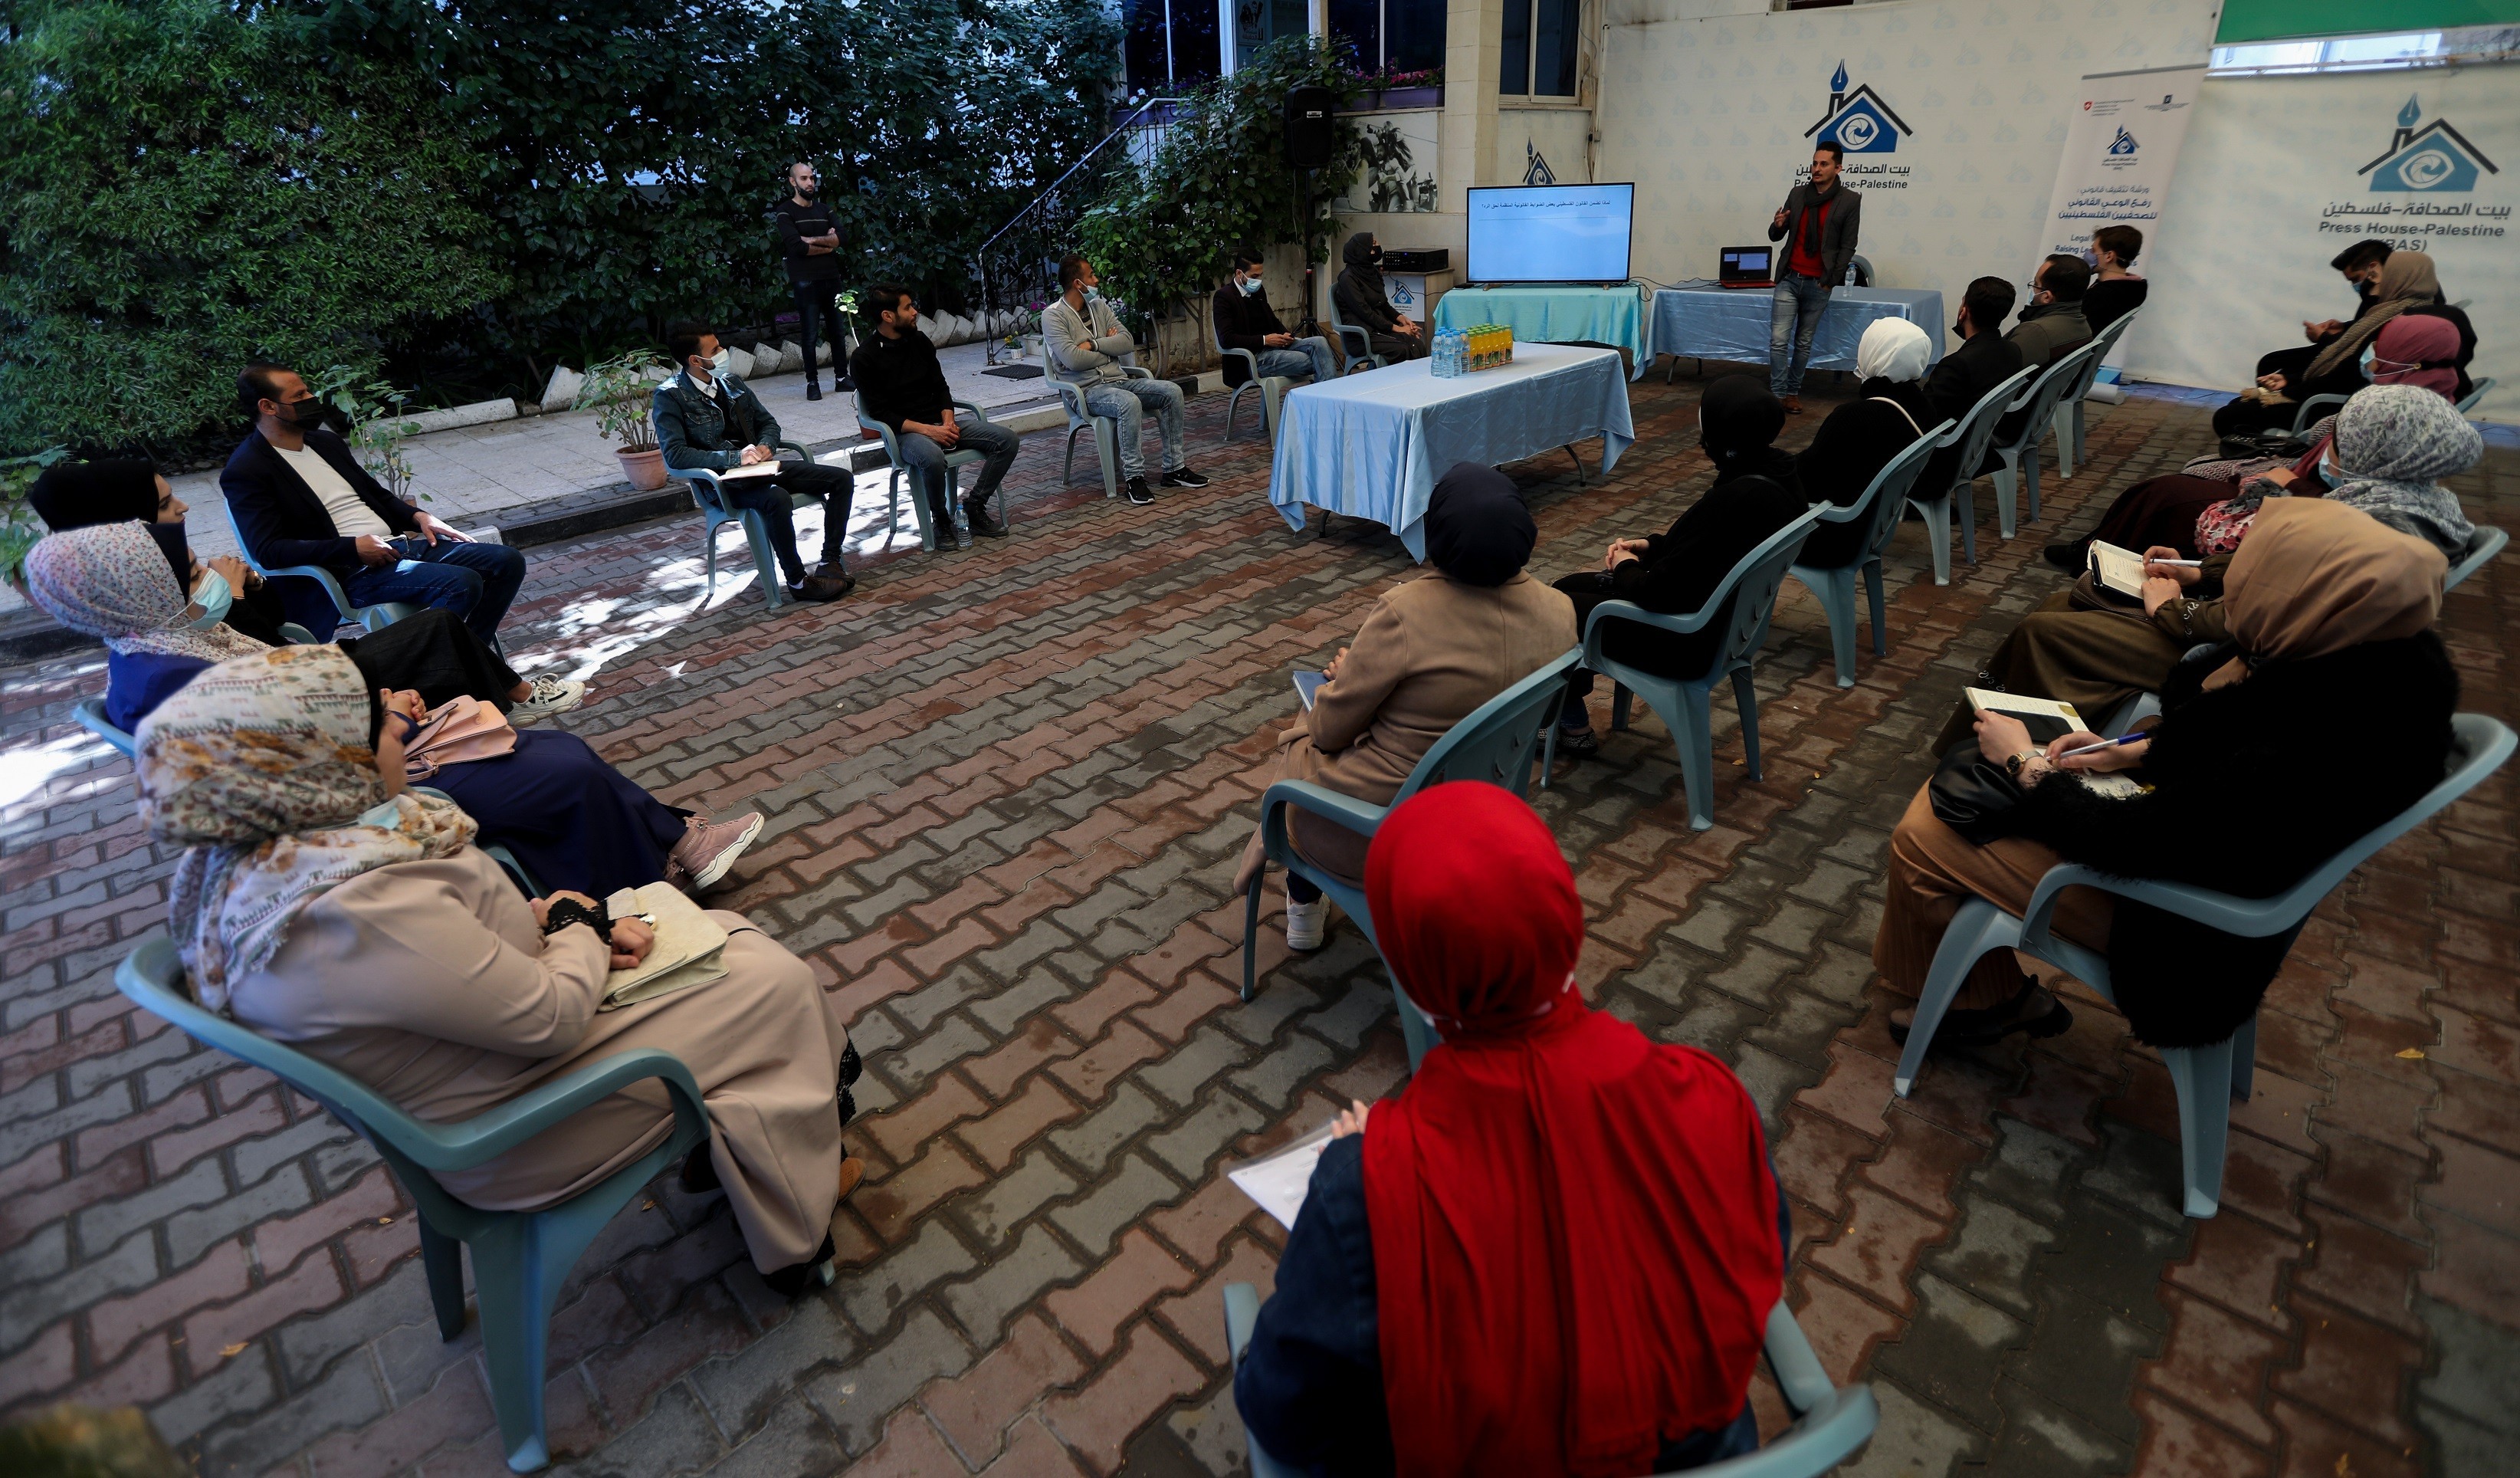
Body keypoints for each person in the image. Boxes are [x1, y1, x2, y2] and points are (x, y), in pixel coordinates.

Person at [135, 645, 858, 1294]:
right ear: (320, 764)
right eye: (379, 726)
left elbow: (441, 964)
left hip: (478, 1062)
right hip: (516, 1122)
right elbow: (549, 1018)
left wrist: (552, 924)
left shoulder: (271, 866)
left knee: (718, 936)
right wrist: (575, 920)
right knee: (770, 981)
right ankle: (796, 1230)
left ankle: (751, 1155)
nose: (400, 732)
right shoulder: (353, 911)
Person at [1235, 783, 1787, 1476]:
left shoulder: (1366, 1193)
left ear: (1413, 972)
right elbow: (1764, 1248)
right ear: (1565, 915)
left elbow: (1283, 1411)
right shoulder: (1711, 1097)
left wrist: (1369, 1163)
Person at [1879, 498, 2456, 1052]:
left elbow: (2130, 841)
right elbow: (2231, 751)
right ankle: (1985, 993)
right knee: (1957, 806)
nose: (2235, 603)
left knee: (1927, 832)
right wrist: (2130, 752)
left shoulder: (2323, 731)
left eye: (2250, 590)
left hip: (2183, 943)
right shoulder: (2377, 662)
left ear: (2300, 600)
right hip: (2216, 888)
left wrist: (2025, 765)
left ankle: (1983, 1003)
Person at [23, 523, 756, 895]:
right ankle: (643, 886)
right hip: (350, 801)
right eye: (188, 572)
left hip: (361, 758)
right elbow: (295, 766)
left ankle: (667, 851)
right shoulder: (165, 677)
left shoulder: (166, 641)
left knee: (547, 749)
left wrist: (379, 709)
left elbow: (290, 704)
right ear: (136, 591)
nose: (207, 574)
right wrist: (395, 722)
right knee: (560, 764)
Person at [1232, 466, 1577, 950]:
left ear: (1437, 531)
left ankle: (1302, 899)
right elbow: (1541, 715)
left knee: (1308, 723)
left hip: (1377, 835)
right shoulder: (1560, 610)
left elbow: (1329, 733)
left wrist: (1347, 678)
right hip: (1482, 821)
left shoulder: (1405, 610)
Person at [2048, 315, 2475, 568]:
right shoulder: (2421, 392)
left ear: (2408, 354)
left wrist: (2288, 483)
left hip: (2300, 508)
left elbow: (2353, 493)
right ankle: (2099, 552)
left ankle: (2106, 563)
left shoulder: (2408, 409)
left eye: (2381, 349)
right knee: (2170, 486)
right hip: (2299, 490)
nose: (2371, 357)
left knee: (2167, 496)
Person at [1553, 378, 1809, 759]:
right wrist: (1650, 546)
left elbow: (1657, 593)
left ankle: (1568, 726)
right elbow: (1704, 550)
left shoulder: (1737, 498)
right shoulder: (1776, 474)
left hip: (1685, 640)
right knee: (1569, 584)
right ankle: (1567, 715)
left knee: (1555, 608)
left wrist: (1625, 566)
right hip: (1726, 626)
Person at [221, 365, 535, 653]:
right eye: (300, 395)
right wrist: (352, 548)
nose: (311, 398)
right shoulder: (247, 469)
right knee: (462, 583)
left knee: (507, 561)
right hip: (350, 573)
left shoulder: (324, 443)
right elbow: (268, 551)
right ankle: (455, 665)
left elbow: (376, 495)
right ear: (268, 406)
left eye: (308, 391)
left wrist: (419, 517)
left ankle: (469, 661)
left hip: (399, 548)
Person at [654, 321, 856, 601]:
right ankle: (798, 582)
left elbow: (768, 423)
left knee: (841, 479)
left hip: (762, 469)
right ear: (695, 360)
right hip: (722, 484)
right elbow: (675, 455)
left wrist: (765, 446)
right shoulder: (670, 396)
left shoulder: (731, 383)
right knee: (777, 498)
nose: (723, 353)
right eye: (716, 350)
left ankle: (829, 561)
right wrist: (735, 458)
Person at [27, 459, 294, 648]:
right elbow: (263, 650)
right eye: (164, 504)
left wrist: (252, 582)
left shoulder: (164, 563)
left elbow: (276, 619)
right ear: (124, 521)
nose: (184, 506)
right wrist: (234, 594)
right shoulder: (149, 600)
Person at [848, 285, 1022, 541]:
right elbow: (881, 414)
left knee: (1007, 440)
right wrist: (930, 431)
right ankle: (940, 519)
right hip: (906, 434)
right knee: (932, 457)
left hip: (940, 424)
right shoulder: (864, 358)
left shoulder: (919, 341)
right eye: (908, 307)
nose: (915, 312)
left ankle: (975, 506)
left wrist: (948, 422)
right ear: (888, 316)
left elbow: (940, 387)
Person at [2213, 248, 2444, 439]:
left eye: (2380, 277)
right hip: (2343, 396)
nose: (2373, 284)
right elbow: (2350, 363)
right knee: (2239, 405)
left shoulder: (2397, 321)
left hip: (2338, 408)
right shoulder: (2401, 311)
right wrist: (2292, 380)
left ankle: (2266, 461)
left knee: (2227, 416)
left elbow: (2350, 374)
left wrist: (2290, 387)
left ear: (2401, 280)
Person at [1043, 255, 1205, 505]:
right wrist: (1109, 348)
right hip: (1087, 391)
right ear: (1077, 283)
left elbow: (1127, 342)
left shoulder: (1099, 307)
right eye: (1091, 276)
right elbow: (1073, 360)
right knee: (1128, 402)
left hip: (1120, 381)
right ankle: (1134, 478)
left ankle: (1174, 469)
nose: (1096, 280)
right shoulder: (1053, 316)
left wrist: (1093, 345)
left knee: (1172, 392)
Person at [1791, 318, 1940, 570]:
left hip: (1830, 535)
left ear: (1873, 353)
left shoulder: (1856, 416)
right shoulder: (1923, 407)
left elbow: (1806, 475)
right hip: (1872, 528)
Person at [1765, 141, 1862, 414]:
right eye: (1814, 163)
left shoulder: (1849, 200)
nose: (1816, 169)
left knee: (1803, 342)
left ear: (1838, 168)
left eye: (1823, 164)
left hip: (1819, 282)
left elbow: (1848, 245)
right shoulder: (1797, 194)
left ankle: (1792, 393)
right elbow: (1776, 234)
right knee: (1778, 340)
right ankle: (1777, 394)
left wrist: (1831, 279)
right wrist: (1778, 225)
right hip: (1789, 278)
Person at [771, 160, 855, 401]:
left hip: (831, 277)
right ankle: (812, 382)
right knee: (809, 334)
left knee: (837, 331)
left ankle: (842, 378)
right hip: (805, 281)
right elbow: (797, 247)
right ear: (792, 181)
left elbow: (842, 237)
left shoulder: (824, 209)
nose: (810, 183)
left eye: (812, 178)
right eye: (804, 178)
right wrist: (828, 244)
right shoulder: (785, 211)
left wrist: (811, 240)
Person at [1212, 248, 1337, 388]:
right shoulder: (1224, 297)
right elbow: (1226, 339)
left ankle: (1324, 397)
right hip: (1250, 359)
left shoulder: (1258, 291)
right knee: (1319, 360)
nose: (1258, 280)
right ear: (1239, 273)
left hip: (1273, 348)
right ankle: (1327, 397)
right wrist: (1265, 340)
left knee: (1319, 342)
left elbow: (1272, 320)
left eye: (1261, 275)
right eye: (1254, 276)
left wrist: (1285, 335)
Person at [1923, 278, 2025, 427]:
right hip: (1985, 432)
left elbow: (1926, 417)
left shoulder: (1955, 365)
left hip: (1951, 438)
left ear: (1964, 312)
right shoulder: (2013, 350)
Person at [1331, 232, 1426, 364]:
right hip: (1362, 335)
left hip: (1379, 330)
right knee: (1402, 349)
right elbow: (1365, 312)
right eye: (1374, 244)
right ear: (1362, 250)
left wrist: (1402, 319)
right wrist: (1397, 328)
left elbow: (1383, 304)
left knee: (1417, 344)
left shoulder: (1372, 272)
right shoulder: (1348, 278)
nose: (1378, 247)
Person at [2006, 254, 2092, 370]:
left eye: (2036, 285)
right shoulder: (2083, 325)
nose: (2033, 289)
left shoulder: (2035, 332)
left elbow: (1996, 374)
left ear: (2046, 297)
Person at [2080, 225, 2148, 334]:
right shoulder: (2134, 289)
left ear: (2109, 256)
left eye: (2093, 250)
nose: (2089, 253)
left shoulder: (2101, 295)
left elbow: (2076, 331)